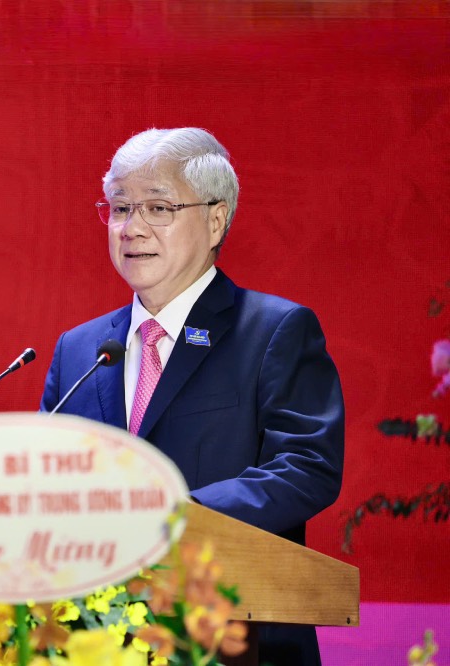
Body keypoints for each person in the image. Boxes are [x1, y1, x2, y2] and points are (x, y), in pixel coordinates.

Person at [40, 127, 343, 666]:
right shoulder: (81, 348)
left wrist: (177, 518)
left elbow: (306, 468)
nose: (131, 228)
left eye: (157, 207)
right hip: (95, 644)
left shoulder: (274, 331)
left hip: (235, 642)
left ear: (215, 220)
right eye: (119, 208)